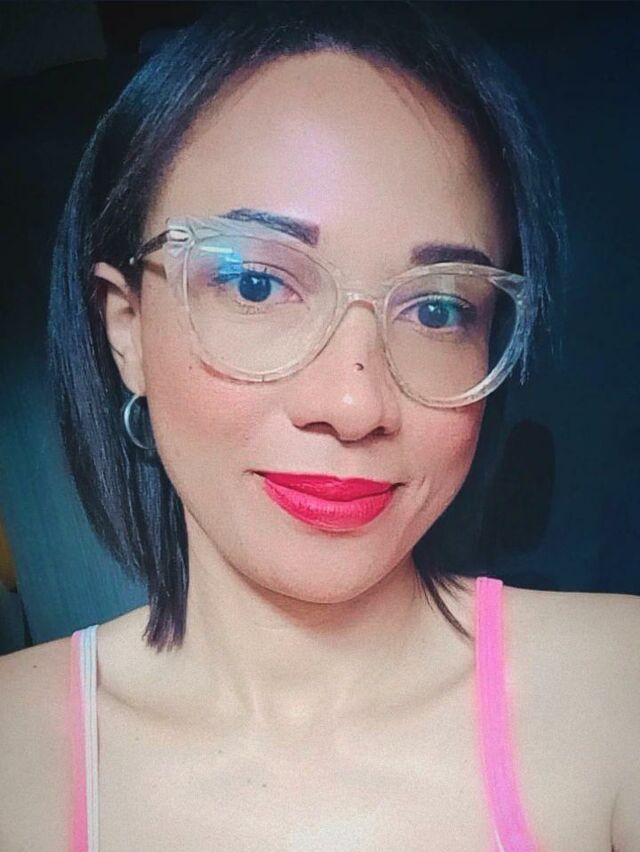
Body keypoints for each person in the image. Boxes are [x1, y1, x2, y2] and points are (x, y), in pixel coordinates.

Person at [0, 3, 638, 850]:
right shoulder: (16, 753)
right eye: (256, 284)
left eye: (439, 308)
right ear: (128, 332)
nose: (354, 405)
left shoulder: (617, 697)